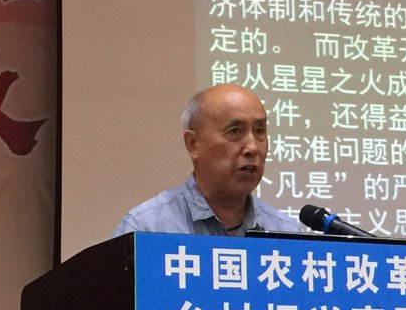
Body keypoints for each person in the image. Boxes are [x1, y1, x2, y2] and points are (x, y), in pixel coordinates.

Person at [113, 83, 301, 237]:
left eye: (260, 131)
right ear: (193, 144)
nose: (252, 147)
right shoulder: (146, 229)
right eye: (235, 131)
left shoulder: (286, 233)